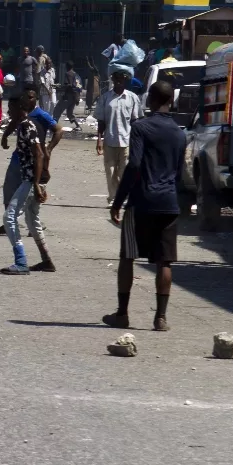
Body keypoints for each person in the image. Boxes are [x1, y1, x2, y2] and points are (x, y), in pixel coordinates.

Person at [104, 80, 185, 331]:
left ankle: (122, 313)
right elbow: (179, 173)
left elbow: (135, 165)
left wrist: (118, 201)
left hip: (141, 202)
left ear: (149, 100)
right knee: (165, 261)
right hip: (169, 203)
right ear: (171, 101)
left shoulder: (140, 128)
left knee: (128, 256)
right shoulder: (180, 133)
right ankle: (160, 318)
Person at [0, 94, 49, 275]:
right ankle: (46, 260)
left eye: (11, 109)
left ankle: (20, 262)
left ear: (20, 108)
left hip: (30, 180)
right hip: (31, 179)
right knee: (31, 219)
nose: (8, 112)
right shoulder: (24, 125)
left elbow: (40, 154)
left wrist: (36, 183)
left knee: (9, 217)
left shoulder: (27, 126)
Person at [95, 68, 143, 204]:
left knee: (124, 173)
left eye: (121, 80)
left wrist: (137, 140)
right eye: (116, 80)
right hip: (109, 140)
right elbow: (101, 121)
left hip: (127, 141)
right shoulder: (105, 98)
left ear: (125, 81)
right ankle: (112, 198)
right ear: (113, 81)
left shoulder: (132, 98)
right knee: (110, 173)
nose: (118, 83)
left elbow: (135, 121)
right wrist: (99, 139)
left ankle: (124, 198)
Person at [52, 61, 83, 131]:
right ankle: (78, 126)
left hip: (68, 96)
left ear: (67, 67)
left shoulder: (68, 74)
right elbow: (78, 86)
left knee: (57, 110)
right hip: (74, 97)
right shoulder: (76, 75)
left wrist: (60, 87)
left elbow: (68, 85)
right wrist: (77, 97)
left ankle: (54, 125)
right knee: (69, 113)